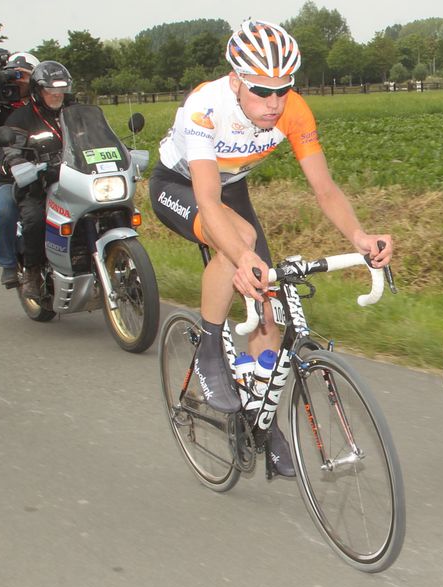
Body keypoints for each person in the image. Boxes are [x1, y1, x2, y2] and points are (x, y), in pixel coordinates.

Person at [149, 19, 392, 477]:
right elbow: (206, 198)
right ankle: (208, 351)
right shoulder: (206, 105)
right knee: (239, 246)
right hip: (181, 184)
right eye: (262, 91)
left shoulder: (293, 111)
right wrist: (241, 258)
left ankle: (264, 425)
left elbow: (324, 189)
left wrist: (360, 237)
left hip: (232, 186)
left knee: (269, 307)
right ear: (237, 80)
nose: (274, 103)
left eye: (284, 90)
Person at [1, 60, 72, 299]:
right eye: (50, 91)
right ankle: (31, 272)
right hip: (37, 186)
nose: (56, 95)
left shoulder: (75, 111)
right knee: (34, 219)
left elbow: (98, 133)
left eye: (60, 90)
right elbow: (11, 149)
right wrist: (21, 164)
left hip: (74, 178)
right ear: (37, 91)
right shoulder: (20, 118)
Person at [0, 52, 39, 288]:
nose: (17, 85)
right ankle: (9, 264)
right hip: (9, 174)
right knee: (5, 209)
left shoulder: (46, 103)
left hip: (48, 168)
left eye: (24, 78)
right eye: (13, 79)